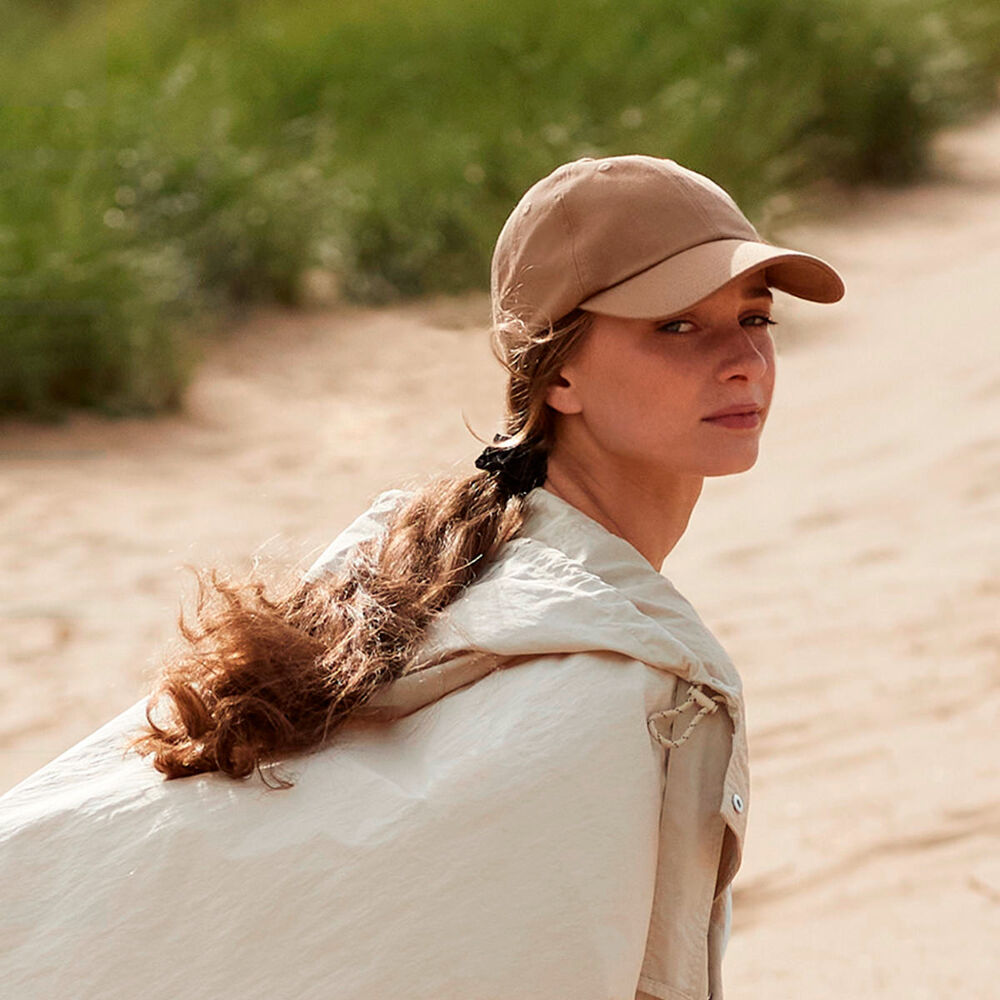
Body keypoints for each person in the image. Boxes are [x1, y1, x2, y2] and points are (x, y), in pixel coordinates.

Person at [0, 155, 844, 1000]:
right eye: (677, 326)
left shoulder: (436, 544)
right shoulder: (610, 687)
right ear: (562, 374)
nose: (743, 359)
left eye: (756, 317)